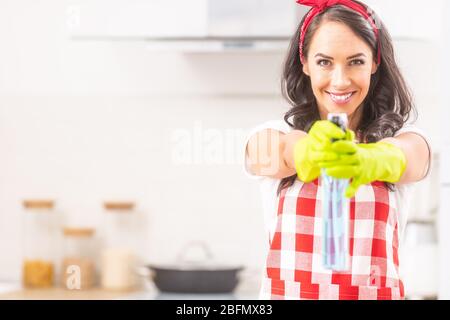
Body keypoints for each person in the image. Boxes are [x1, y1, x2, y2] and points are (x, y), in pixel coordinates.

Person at [244, 0, 432, 300]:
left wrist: (371, 159)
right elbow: (264, 153)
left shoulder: (403, 137)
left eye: (356, 61)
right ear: (304, 62)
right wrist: (301, 151)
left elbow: (413, 158)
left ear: (375, 62)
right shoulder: (275, 133)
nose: (340, 80)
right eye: (324, 62)